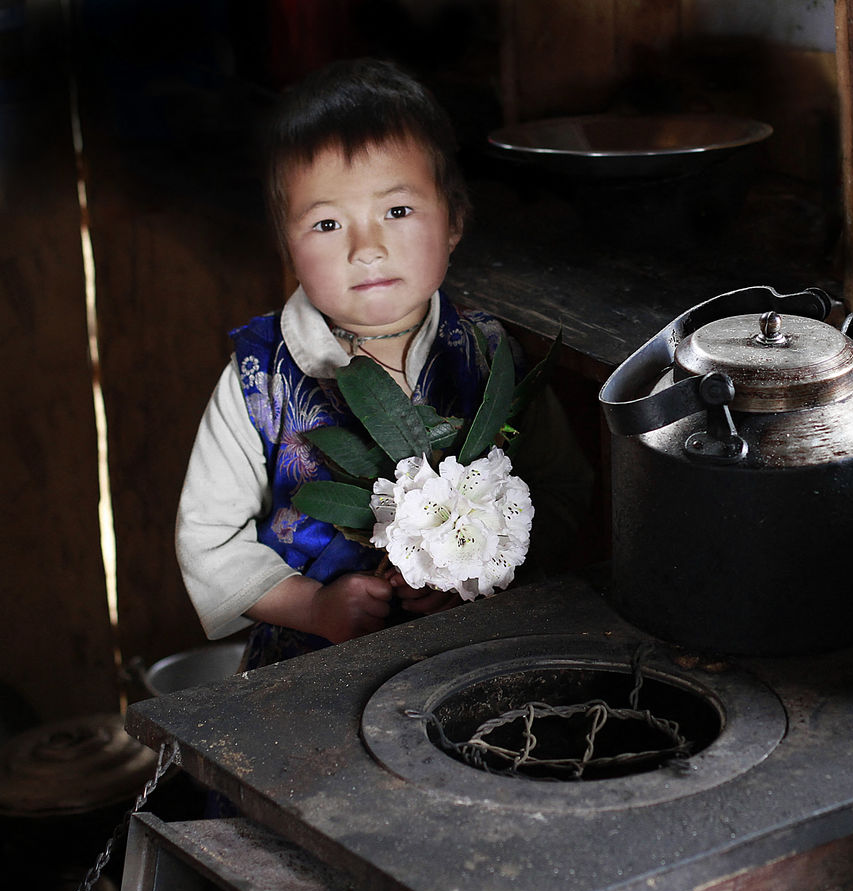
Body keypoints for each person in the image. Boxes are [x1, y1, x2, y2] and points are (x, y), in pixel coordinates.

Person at [176, 58, 591, 670]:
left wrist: (482, 568)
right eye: (326, 223)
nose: (366, 248)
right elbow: (209, 540)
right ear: (287, 246)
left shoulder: (490, 354)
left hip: (473, 655)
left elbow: (562, 489)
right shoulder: (259, 379)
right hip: (310, 672)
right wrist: (313, 606)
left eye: (397, 211)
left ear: (453, 221)